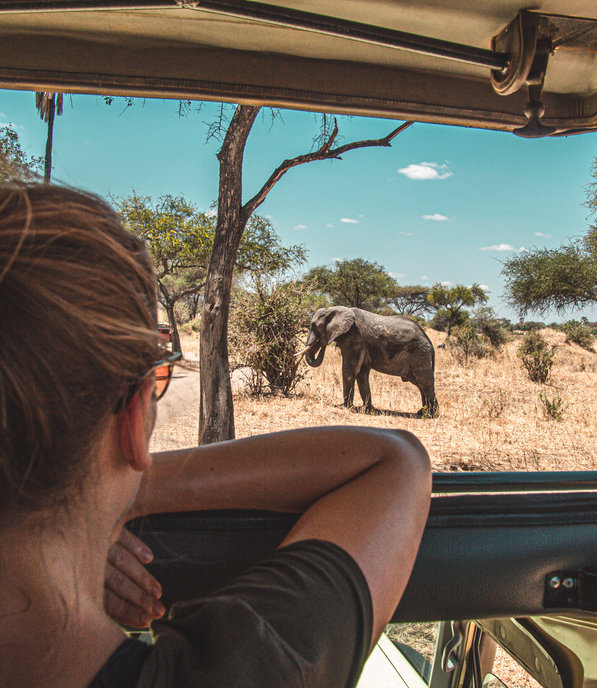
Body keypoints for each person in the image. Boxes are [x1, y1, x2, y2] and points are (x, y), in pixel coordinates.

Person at [0, 183, 432, 688]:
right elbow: (396, 460)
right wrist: (93, 509)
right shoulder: (238, 672)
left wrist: (72, 517)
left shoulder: (359, 326)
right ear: (134, 420)